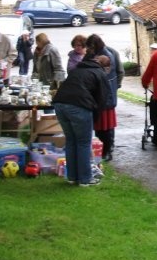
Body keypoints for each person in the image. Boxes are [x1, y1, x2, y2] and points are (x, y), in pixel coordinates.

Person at [52, 52, 110, 186]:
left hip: (59, 103)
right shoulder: (100, 74)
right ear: (106, 67)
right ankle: (85, 179)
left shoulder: (78, 69)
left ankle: (72, 177)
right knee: (83, 142)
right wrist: (95, 118)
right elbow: (102, 100)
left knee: (71, 141)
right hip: (79, 106)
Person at [86, 33, 123, 161]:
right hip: (101, 97)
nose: (88, 50)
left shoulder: (106, 57)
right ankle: (102, 150)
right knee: (100, 127)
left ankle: (107, 150)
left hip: (105, 97)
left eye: (89, 47)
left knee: (106, 127)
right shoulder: (96, 55)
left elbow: (100, 76)